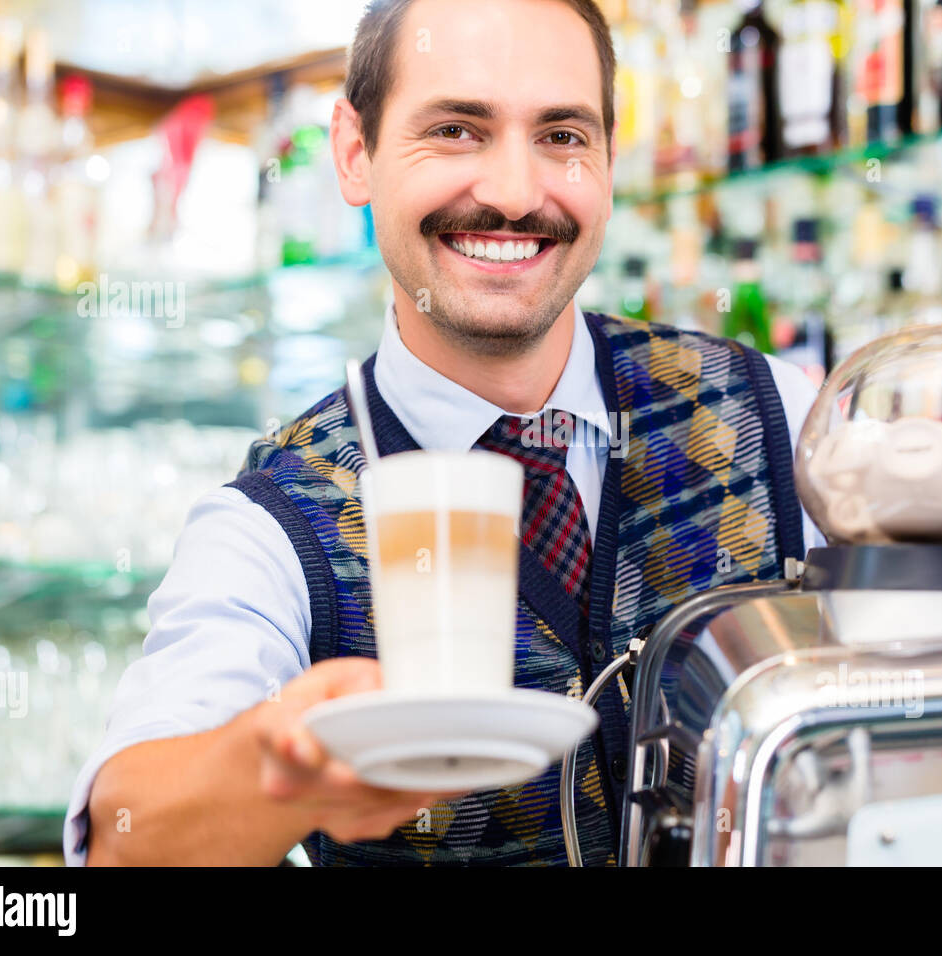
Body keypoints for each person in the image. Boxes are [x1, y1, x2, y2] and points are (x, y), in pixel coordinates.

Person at [66, 0, 823, 867]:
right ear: (356, 152)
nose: (512, 192)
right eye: (458, 129)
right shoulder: (276, 526)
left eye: (563, 136)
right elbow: (130, 835)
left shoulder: (774, 412)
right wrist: (282, 763)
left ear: (611, 160)